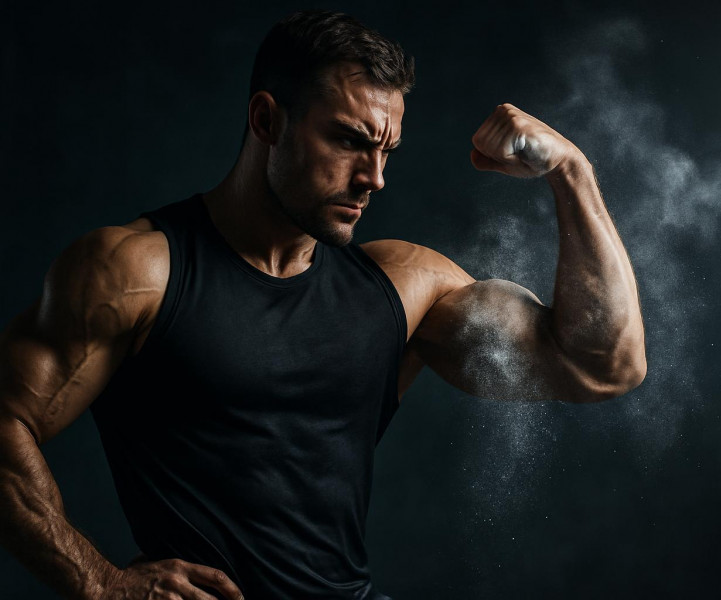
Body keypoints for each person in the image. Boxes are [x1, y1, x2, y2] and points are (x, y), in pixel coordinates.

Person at [0, 9, 646, 600]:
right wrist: (99, 583)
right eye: (347, 141)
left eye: (385, 150)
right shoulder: (137, 271)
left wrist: (572, 175)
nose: (374, 177)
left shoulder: (404, 287)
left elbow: (601, 367)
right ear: (266, 120)